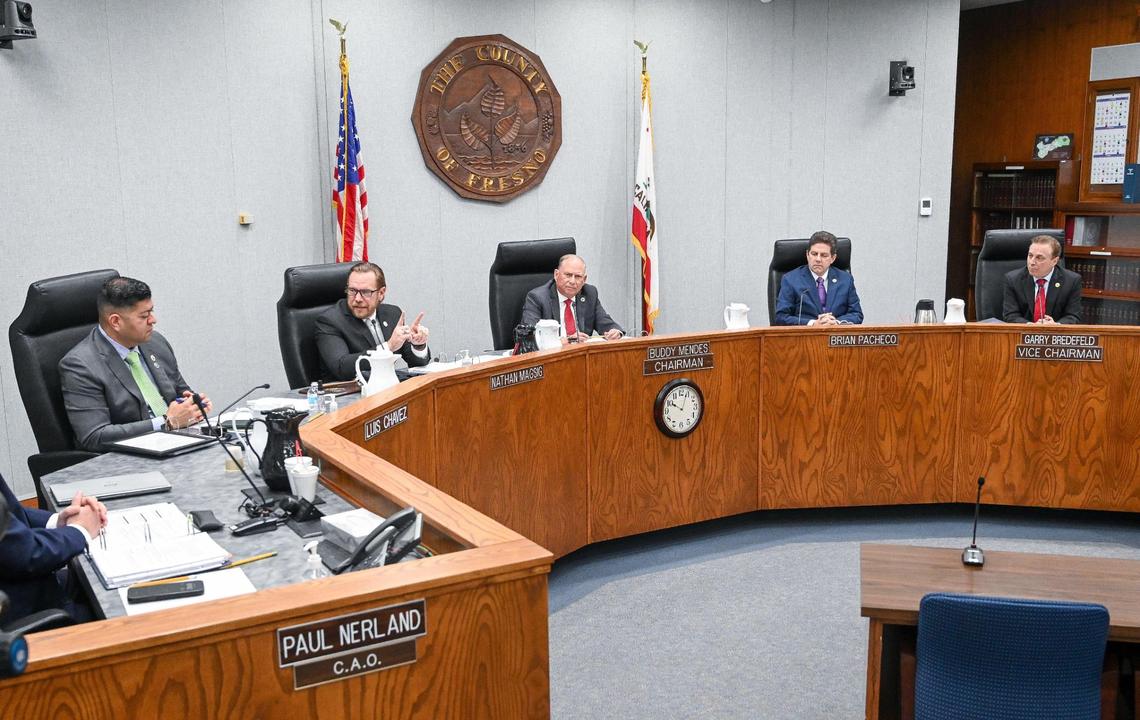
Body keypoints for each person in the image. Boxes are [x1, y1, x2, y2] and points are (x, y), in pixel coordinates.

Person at [60, 277, 211, 452]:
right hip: (133, 459)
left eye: (151, 311)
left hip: (179, 443)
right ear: (115, 321)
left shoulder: (156, 342)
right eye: (144, 316)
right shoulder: (80, 365)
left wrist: (193, 405)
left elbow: (180, 391)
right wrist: (166, 422)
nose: (153, 320)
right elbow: (94, 436)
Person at [0, 472, 106, 622]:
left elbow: (10, 514)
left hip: (33, 585)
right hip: (24, 611)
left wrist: (60, 520)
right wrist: (79, 530)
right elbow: (25, 553)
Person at [315, 261, 431, 381]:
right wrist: (388, 347)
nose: (358, 299)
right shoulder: (330, 321)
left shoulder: (392, 314)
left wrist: (418, 345)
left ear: (381, 293)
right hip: (350, 395)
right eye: (352, 291)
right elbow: (341, 368)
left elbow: (416, 364)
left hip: (388, 391)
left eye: (365, 292)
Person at [521, 254, 624, 343]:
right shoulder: (537, 297)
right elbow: (528, 337)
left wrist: (615, 332)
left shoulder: (589, 293)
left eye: (578, 276)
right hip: (552, 358)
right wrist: (566, 341)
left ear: (584, 279)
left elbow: (605, 323)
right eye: (568, 275)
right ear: (556, 275)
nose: (572, 281)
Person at [775, 231, 864, 326]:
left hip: (835, 337)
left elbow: (856, 314)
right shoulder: (791, 280)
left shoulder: (846, 280)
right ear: (807, 255)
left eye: (824, 255)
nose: (818, 259)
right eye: (814, 254)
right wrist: (813, 323)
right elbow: (781, 317)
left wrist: (836, 322)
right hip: (804, 338)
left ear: (833, 258)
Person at [1002, 234, 1082, 324]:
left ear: (1054, 261)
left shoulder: (1072, 281)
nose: (1032, 262)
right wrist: (1030, 326)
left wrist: (1056, 326)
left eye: (1039, 258)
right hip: (1023, 334)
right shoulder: (1013, 279)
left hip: (1055, 336)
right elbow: (1010, 315)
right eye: (1030, 255)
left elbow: (1073, 316)